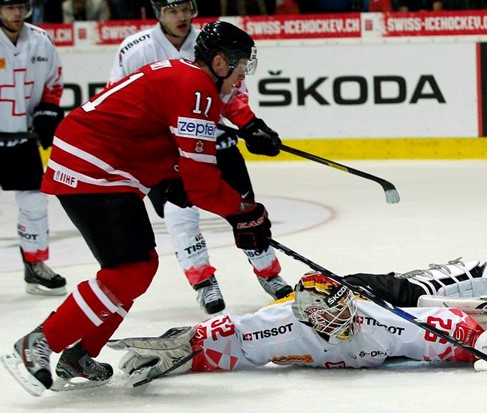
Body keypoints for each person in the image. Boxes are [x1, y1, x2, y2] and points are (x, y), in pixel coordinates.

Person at [0, 20, 279, 397]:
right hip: (93, 169)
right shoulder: (196, 89)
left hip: (102, 166)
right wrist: (246, 212)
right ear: (218, 62)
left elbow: (157, 138)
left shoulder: (189, 81)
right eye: (241, 66)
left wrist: (174, 178)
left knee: (138, 268)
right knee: (127, 271)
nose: (242, 76)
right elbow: (202, 185)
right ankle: (39, 342)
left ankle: (80, 354)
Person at [108, 0, 291, 316]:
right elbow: (120, 99)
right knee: (181, 219)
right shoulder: (135, 49)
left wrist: (250, 124)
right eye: (171, 10)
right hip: (168, 157)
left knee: (246, 212)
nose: (180, 17)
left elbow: (233, 93)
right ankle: (204, 283)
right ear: (158, 13)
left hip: (218, 146)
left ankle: (270, 274)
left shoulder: (218, 39)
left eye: (184, 9)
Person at [108, 266, 487, 384]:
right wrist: (184, 350)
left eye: (345, 312)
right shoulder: (279, 323)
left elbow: (433, 326)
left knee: (416, 291)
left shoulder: (372, 318)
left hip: (370, 288)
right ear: (308, 318)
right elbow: (231, 337)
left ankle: (451, 274)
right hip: (327, 291)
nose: (346, 323)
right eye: (333, 318)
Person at [0, 0, 66, 296]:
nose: (17, 13)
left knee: (35, 202)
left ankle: (35, 264)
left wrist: (48, 109)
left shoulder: (41, 40)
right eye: (9, 7)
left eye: (21, 6)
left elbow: (54, 82)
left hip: (24, 137)